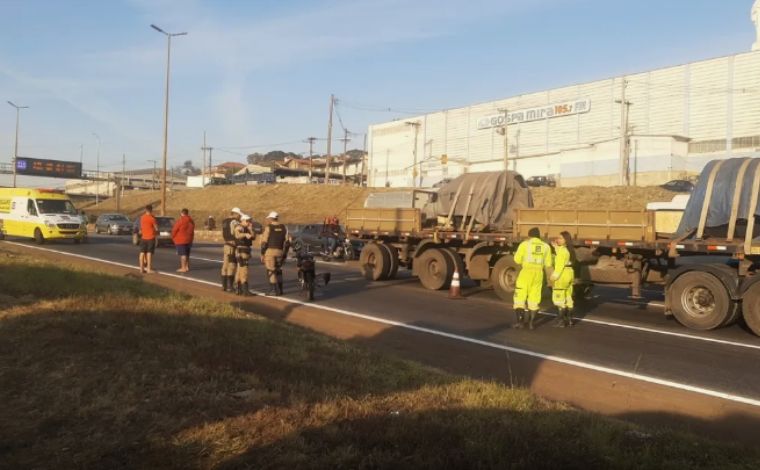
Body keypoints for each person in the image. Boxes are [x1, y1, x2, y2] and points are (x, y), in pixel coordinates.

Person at [513, 227, 552, 330]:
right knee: (534, 298)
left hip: (526, 273)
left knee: (520, 298)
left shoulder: (525, 244)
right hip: (539, 274)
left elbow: (517, 260)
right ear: (539, 236)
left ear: (529, 236)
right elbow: (548, 264)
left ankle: (520, 323)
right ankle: (531, 324)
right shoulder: (546, 246)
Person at [260, 211, 290, 296]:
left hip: (270, 251)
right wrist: (284, 254)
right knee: (278, 270)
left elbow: (264, 243)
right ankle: (280, 289)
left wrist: (262, 253)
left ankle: (273, 290)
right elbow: (288, 242)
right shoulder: (284, 227)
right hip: (280, 251)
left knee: (271, 270)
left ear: (270, 219)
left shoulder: (268, 227)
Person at [551, 231, 576, 327]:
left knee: (559, 299)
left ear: (566, 240)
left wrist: (554, 277)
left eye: (560, 238)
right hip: (569, 274)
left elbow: (559, 266)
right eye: (557, 238)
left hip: (562, 275)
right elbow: (564, 256)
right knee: (568, 297)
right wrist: (556, 247)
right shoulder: (569, 250)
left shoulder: (562, 251)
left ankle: (561, 321)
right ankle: (570, 320)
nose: (557, 240)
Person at [220, 207, 243, 291]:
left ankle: (224, 285)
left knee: (225, 265)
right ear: (235, 214)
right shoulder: (234, 222)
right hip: (233, 245)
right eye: (239, 215)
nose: (240, 217)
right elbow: (236, 232)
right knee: (232, 266)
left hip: (226, 244)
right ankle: (230, 286)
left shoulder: (225, 221)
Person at [233, 214, 256, 296]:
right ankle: (245, 290)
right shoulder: (239, 227)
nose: (249, 222)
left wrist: (251, 230)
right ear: (242, 221)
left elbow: (253, 237)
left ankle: (238, 288)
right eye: (247, 221)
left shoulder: (248, 228)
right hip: (241, 250)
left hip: (246, 250)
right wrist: (245, 234)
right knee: (244, 270)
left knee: (240, 270)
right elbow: (237, 235)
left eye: (249, 221)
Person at [171, 208, 195, 273]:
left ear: (182, 213)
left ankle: (183, 267)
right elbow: (192, 230)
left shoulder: (181, 221)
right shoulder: (191, 221)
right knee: (187, 254)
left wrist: (172, 237)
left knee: (183, 254)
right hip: (189, 239)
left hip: (181, 240)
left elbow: (174, 230)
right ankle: (187, 266)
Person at [138, 204, 158, 274]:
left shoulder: (142, 217)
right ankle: (148, 269)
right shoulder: (152, 218)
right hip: (150, 237)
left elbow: (141, 227)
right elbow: (156, 228)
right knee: (149, 253)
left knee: (142, 253)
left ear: (145, 210)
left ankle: (141, 268)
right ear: (151, 210)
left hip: (143, 237)